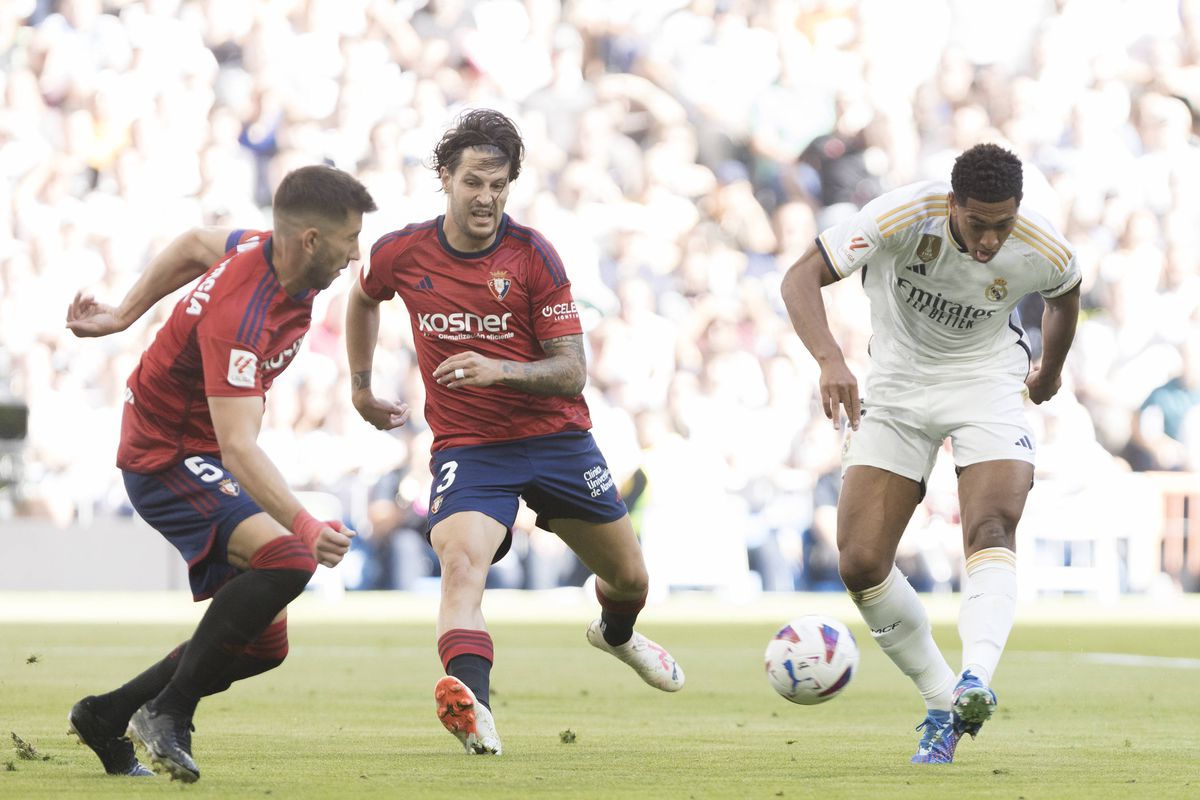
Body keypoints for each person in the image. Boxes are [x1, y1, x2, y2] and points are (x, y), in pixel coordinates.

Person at [345, 109, 684, 756]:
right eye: (474, 181)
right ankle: (474, 706)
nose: (486, 198)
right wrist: (360, 386)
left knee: (631, 580)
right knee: (461, 563)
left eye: (499, 186)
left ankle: (616, 634)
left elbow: (572, 372)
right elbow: (362, 297)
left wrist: (498, 368)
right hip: (471, 448)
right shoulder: (401, 251)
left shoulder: (532, 257)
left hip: (556, 440)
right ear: (445, 178)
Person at [64, 165, 377, 781]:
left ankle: (109, 714)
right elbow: (237, 449)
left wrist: (125, 313)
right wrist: (306, 523)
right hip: (167, 456)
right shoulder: (243, 314)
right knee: (291, 557)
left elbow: (192, 243)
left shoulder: (265, 249)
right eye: (349, 239)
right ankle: (168, 712)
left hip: (199, 450)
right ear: (311, 239)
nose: (356, 252)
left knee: (263, 646)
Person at [780, 143, 1080, 764]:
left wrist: (1049, 369)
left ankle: (976, 677)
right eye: (977, 223)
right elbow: (799, 276)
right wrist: (831, 360)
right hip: (896, 387)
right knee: (861, 562)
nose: (991, 240)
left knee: (992, 524)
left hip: (987, 383)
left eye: (1003, 224)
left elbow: (1065, 294)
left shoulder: (1043, 245)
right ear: (952, 205)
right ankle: (942, 699)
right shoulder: (901, 216)